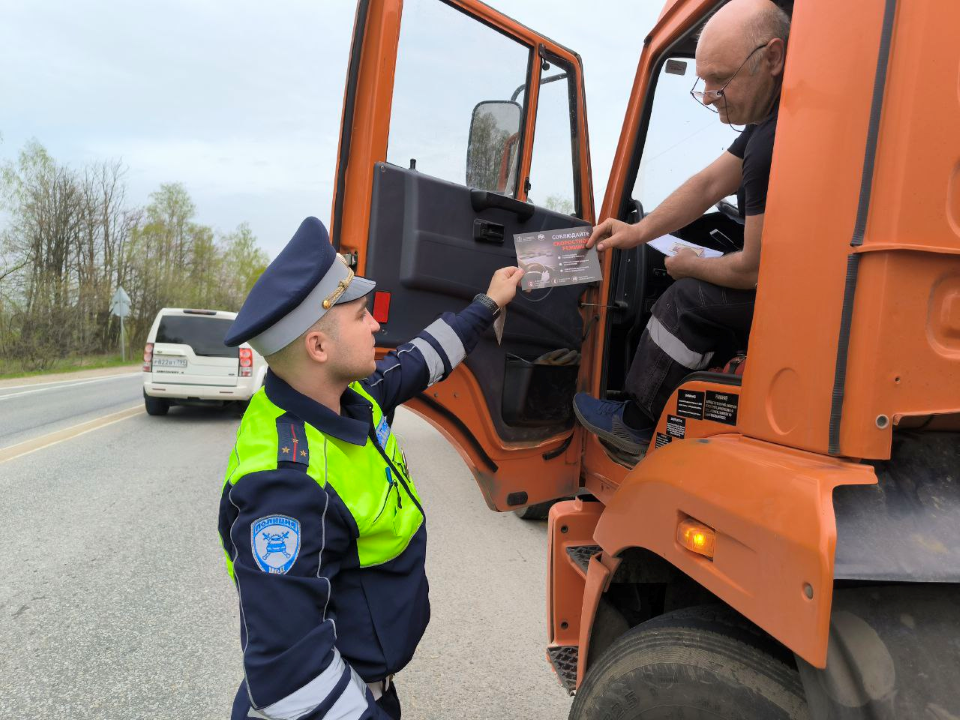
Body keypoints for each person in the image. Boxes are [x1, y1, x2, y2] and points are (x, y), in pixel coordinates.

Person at [217, 217, 523, 719]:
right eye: (361, 316)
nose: (376, 324)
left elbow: (421, 359)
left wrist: (488, 305)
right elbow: (288, 675)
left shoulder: (344, 395)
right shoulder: (287, 486)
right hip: (335, 702)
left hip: (364, 687)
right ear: (318, 347)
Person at [573, 0, 789, 457]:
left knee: (686, 300)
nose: (708, 95)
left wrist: (690, 267)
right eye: (703, 80)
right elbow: (709, 183)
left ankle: (636, 423)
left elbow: (752, 270)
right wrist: (637, 232)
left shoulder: (771, 143)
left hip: (807, 301)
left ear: (773, 58)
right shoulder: (774, 120)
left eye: (721, 79)